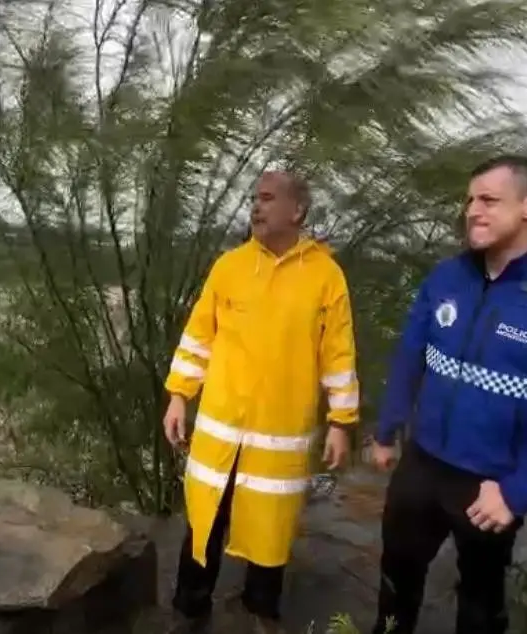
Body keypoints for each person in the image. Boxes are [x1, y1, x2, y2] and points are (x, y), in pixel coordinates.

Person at [368, 155, 527, 634]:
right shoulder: (446, 278)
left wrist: (518, 493)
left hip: (491, 484)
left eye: (488, 200)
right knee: (396, 580)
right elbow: (409, 357)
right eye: (469, 200)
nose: (472, 211)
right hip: (422, 465)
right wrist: (386, 430)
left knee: (480, 601)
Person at [162, 170, 361, 633]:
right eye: (254, 198)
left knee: (271, 526)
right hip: (220, 429)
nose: (256, 206)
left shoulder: (325, 276)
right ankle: (189, 608)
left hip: (280, 432)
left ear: (297, 211)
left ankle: (260, 612)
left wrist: (340, 421)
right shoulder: (229, 267)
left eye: (268, 198)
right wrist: (178, 397)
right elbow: (198, 337)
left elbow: (339, 353)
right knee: (204, 520)